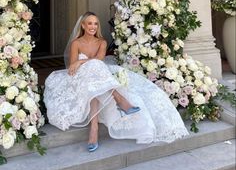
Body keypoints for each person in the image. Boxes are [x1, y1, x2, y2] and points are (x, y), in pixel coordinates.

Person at [44, 12, 189, 152]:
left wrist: (81, 61)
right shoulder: (76, 43)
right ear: (83, 25)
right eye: (89, 23)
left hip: (96, 77)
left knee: (94, 76)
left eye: (95, 24)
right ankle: (119, 100)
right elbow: (72, 68)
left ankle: (93, 129)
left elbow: (99, 60)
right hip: (79, 78)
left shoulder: (102, 42)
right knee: (92, 72)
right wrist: (82, 63)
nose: (93, 26)